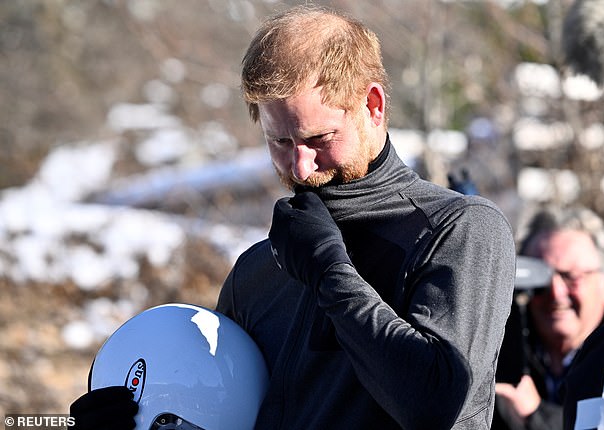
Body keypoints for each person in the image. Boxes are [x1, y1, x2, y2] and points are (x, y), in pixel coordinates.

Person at [70, 5, 516, 429]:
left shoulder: (459, 229)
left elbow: (434, 407)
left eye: (319, 137)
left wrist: (331, 274)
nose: (301, 167)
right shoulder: (258, 269)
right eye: (279, 142)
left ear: (373, 105)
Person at [492, 206, 604, 430]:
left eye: (571, 277)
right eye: (540, 277)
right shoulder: (495, 353)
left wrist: (535, 414)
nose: (556, 291)